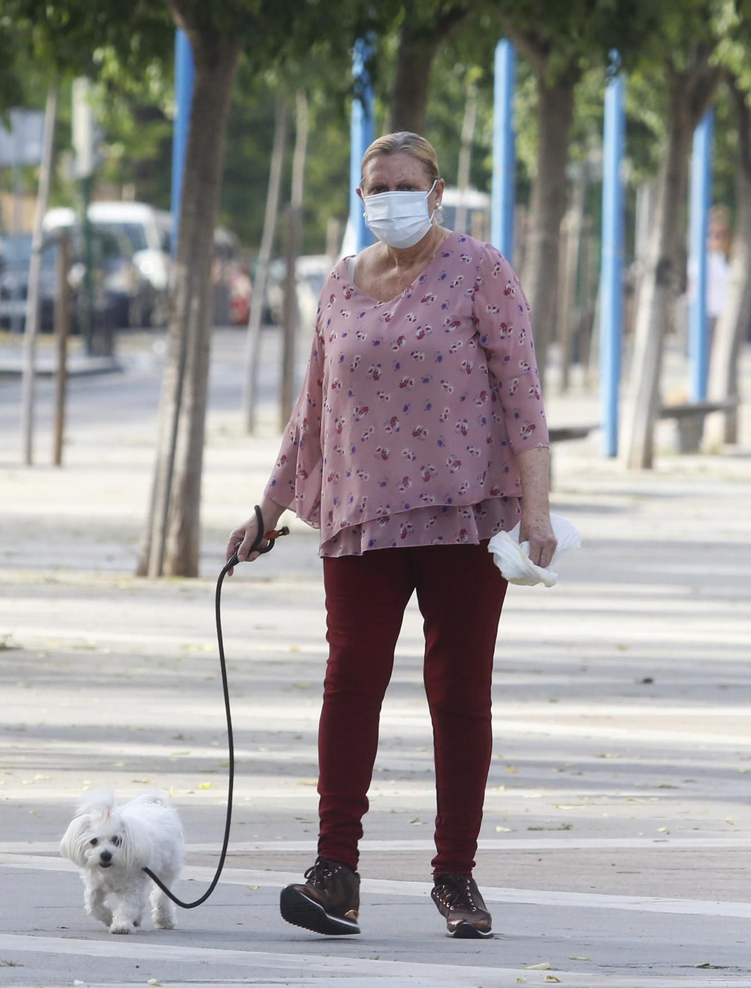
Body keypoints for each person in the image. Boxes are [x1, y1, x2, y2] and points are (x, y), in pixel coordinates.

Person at [227, 131, 555, 941]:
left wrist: (537, 510)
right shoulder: (340, 283)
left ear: (437, 192)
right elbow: (311, 413)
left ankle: (456, 877)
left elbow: (522, 394)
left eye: (404, 186)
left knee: (458, 693)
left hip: (465, 515)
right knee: (350, 683)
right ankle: (334, 872)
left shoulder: (481, 270)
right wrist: (268, 510)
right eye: (375, 188)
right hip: (360, 517)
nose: (388, 200)